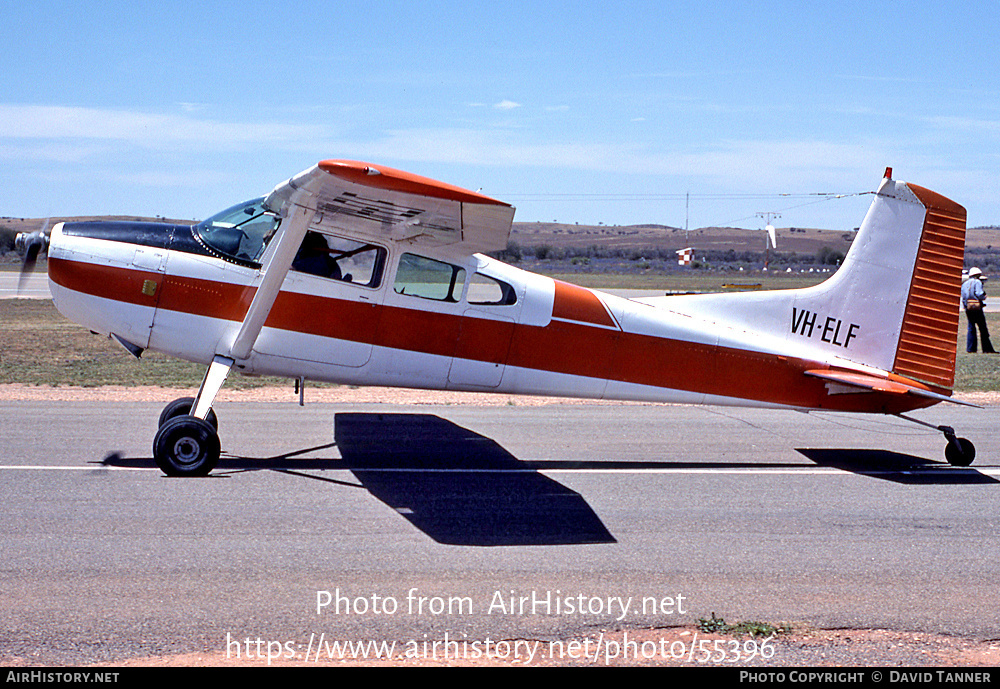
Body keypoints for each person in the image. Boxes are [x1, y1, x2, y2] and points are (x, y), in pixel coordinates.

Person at [961, 267, 996, 353]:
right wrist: (983, 297)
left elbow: (964, 296)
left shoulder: (964, 284)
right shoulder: (977, 282)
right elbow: (979, 293)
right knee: (982, 328)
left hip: (968, 307)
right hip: (977, 307)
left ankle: (971, 348)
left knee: (971, 327)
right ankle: (987, 348)